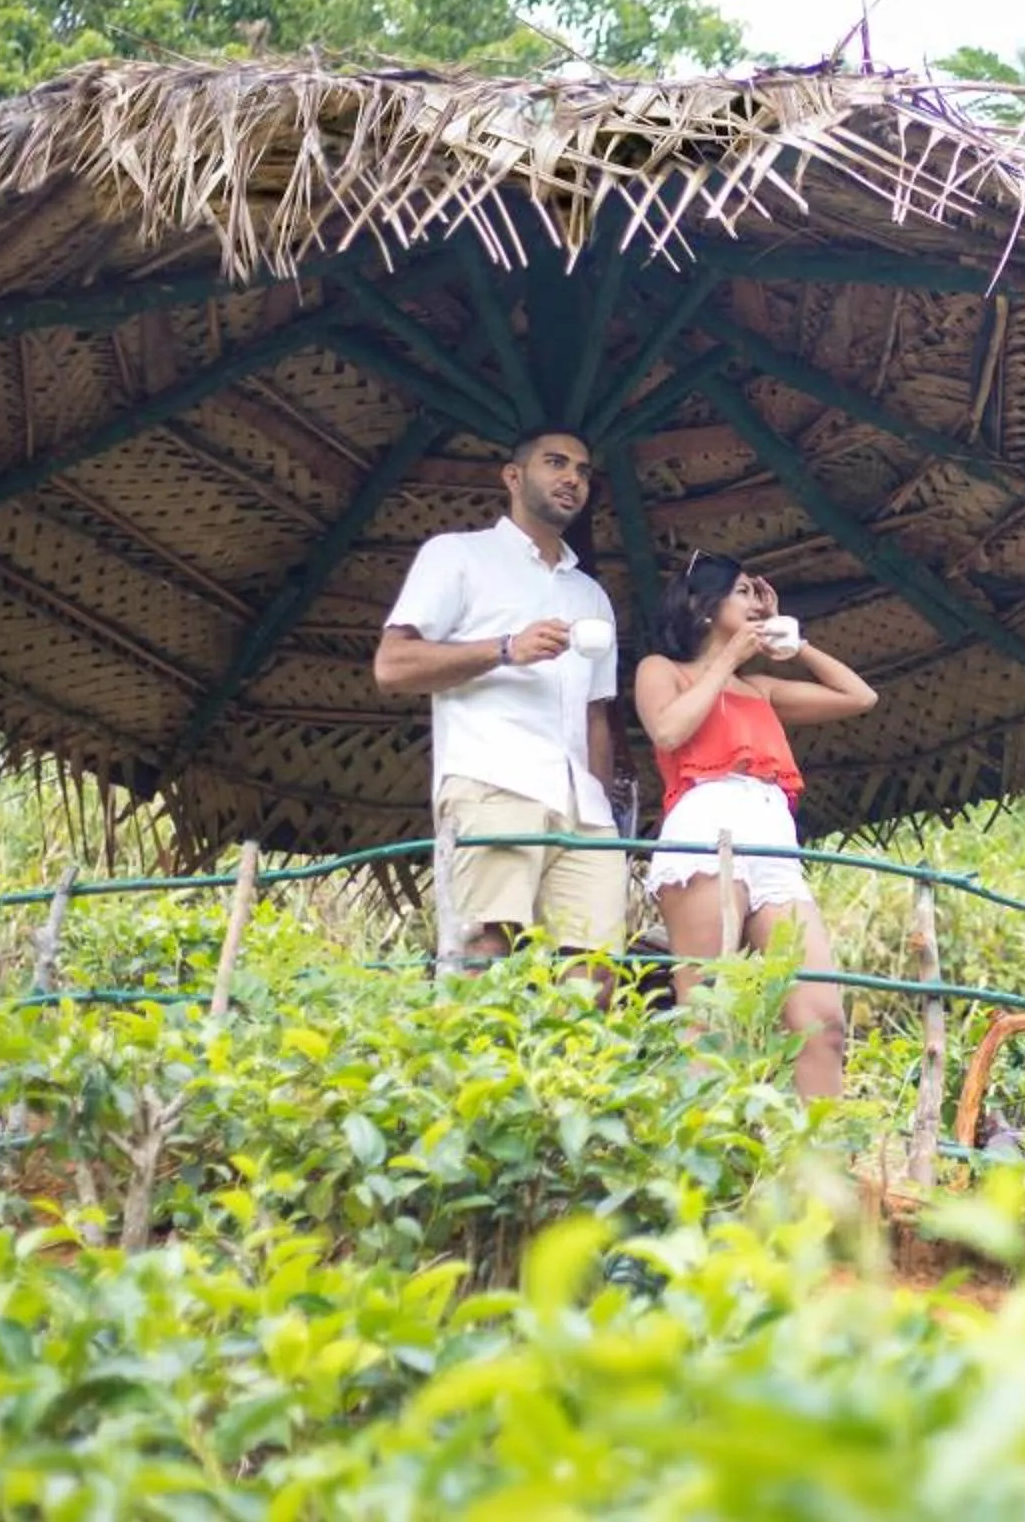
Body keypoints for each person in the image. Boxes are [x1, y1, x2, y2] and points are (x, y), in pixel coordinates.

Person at [373, 429, 624, 970]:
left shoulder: (591, 595)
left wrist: (600, 802)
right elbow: (392, 666)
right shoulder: (459, 556)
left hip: (584, 808)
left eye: (582, 471)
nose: (572, 479)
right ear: (513, 476)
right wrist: (506, 649)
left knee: (596, 970)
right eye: (555, 463)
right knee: (486, 952)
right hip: (493, 778)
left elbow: (596, 714)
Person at [633, 551, 876, 1097]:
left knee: (821, 1019)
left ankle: (822, 1147)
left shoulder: (762, 688)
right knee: (709, 1008)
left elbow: (860, 697)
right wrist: (726, 659)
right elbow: (668, 731)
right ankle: (705, 1139)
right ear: (704, 605)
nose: (754, 602)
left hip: (772, 834)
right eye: (742, 591)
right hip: (707, 823)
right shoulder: (662, 670)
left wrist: (793, 641)